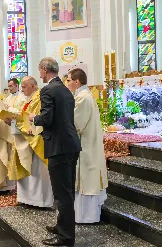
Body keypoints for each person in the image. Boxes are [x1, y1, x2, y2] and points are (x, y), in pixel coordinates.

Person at [29, 57, 81, 246]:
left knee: (62, 194)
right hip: (70, 144)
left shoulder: (47, 90)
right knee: (66, 192)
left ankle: (66, 238)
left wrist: (34, 118)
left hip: (58, 146)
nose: (39, 73)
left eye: (40, 70)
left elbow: (47, 119)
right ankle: (62, 227)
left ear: (44, 69)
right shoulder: (66, 90)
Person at [66, 68, 108, 223]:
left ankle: (86, 217)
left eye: (69, 80)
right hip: (86, 143)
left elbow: (76, 124)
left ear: (77, 81)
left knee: (86, 179)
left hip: (85, 145)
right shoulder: (83, 96)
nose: (67, 83)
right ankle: (83, 215)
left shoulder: (83, 98)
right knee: (85, 179)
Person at [8, 76, 53, 208]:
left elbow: (40, 118)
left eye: (24, 86)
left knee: (37, 171)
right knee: (27, 168)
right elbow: (25, 116)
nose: (21, 89)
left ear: (33, 86)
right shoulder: (28, 99)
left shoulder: (39, 98)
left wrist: (19, 121)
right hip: (25, 138)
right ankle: (27, 199)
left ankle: (40, 201)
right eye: (21, 86)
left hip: (36, 139)